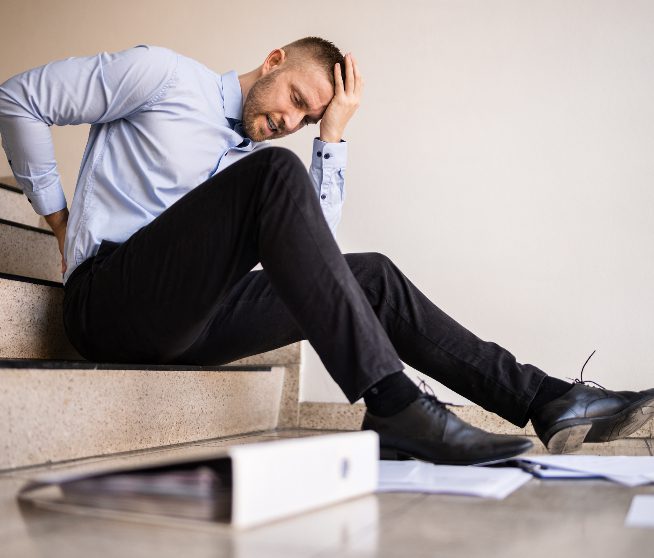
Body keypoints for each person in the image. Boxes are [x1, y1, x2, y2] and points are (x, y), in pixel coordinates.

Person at [1, 37, 652, 465]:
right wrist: (55, 215)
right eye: (295, 101)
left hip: (184, 322)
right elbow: (18, 98)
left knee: (369, 277)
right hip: (105, 304)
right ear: (275, 59)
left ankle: (547, 399)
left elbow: (321, 270)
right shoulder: (165, 77)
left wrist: (333, 134)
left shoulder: (252, 160)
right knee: (275, 175)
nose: (292, 121)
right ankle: (394, 404)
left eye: (307, 118)